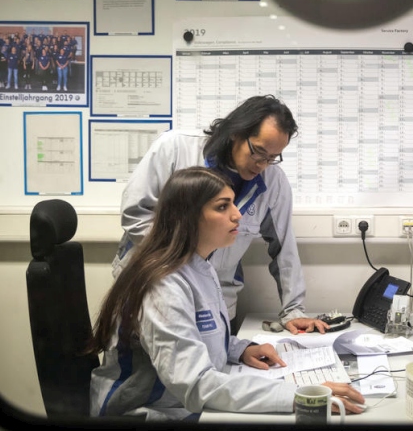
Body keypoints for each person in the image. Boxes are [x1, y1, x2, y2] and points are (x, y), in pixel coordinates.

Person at [88, 167, 365, 421]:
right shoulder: (163, 285)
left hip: (182, 408)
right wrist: (297, 395)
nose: (237, 215)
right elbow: (195, 384)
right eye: (222, 206)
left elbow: (193, 334)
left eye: (233, 202)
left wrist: (239, 349)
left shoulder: (200, 265)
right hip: (146, 419)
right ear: (187, 218)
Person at [113, 95, 328, 335]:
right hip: (155, 290)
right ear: (236, 132)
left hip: (217, 303)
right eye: (258, 152)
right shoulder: (175, 148)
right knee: (142, 369)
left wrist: (293, 310)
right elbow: (135, 215)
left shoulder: (273, 182)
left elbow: (284, 249)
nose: (262, 165)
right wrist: (186, 264)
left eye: (272, 158)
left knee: (219, 364)